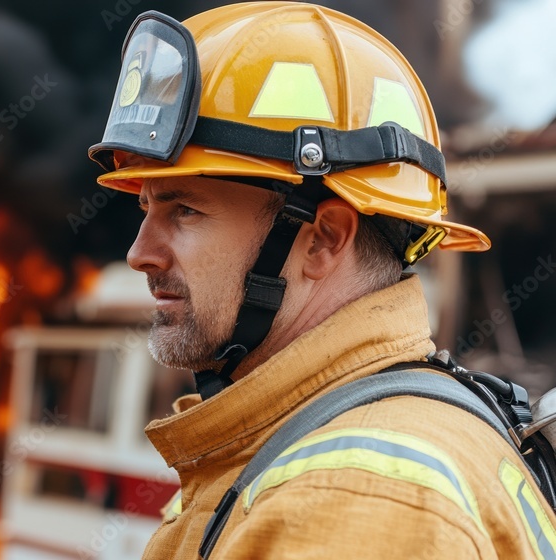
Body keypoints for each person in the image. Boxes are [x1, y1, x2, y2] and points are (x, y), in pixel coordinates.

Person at [88, 2, 556, 558]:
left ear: (324, 239)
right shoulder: (313, 442)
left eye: (184, 209)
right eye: (145, 208)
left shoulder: (350, 501)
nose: (139, 253)